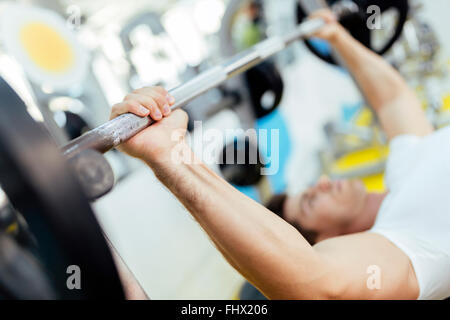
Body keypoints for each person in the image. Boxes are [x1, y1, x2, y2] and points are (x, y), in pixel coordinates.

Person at [110, 10, 450, 299]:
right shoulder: (412, 248)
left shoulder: (405, 169)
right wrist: (172, 157)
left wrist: (336, 37)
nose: (321, 184)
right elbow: (319, 281)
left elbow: (392, 100)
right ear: (331, 241)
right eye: (311, 203)